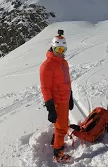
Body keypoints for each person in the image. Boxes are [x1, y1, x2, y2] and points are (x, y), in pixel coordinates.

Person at [39, 30, 74, 163]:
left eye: (63, 49)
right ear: (52, 47)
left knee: (62, 126)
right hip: (57, 102)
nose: (60, 52)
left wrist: (71, 96)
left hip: (65, 99)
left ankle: (56, 141)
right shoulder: (47, 66)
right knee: (62, 128)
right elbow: (45, 89)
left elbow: (67, 81)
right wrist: (50, 107)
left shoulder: (63, 63)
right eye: (58, 49)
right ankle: (58, 153)